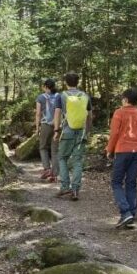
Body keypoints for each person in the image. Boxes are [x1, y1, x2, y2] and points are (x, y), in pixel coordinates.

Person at [106, 88, 137, 228]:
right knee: (131, 182)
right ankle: (131, 214)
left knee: (116, 182)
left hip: (123, 149)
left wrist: (109, 150)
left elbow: (114, 134)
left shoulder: (119, 112)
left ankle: (125, 212)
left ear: (125, 99)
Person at [52, 72, 91, 201]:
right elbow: (89, 115)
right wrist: (88, 132)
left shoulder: (61, 96)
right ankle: (75, 190)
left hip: (67, 131)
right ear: (77, 82)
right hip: (81, 132)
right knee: (78, 161)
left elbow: (57, 114)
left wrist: (56, 130)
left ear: (66, 82)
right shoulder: (85, 96)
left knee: (62, 158)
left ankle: (64, 187)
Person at [35, 79, 58, 182]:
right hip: (58, 126)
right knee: (55, 150)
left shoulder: (41, 97)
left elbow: (38, 113)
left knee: (43, 147)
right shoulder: (59, 96)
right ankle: (54, 173)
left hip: (46, 125)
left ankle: (47, 169)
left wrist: (37, 127)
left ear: (45, 86)